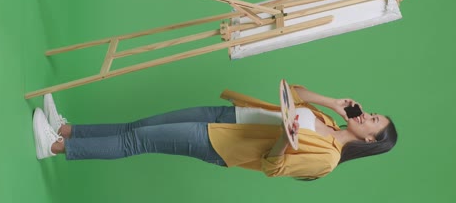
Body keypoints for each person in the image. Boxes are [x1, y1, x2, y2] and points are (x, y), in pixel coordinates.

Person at [32, 84, 397, 179]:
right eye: (373, 114)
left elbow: (274, 167)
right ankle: (68, 128)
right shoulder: (331, 121)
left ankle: (55, 147)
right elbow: (293, 92)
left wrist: (286, 139)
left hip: (221, 144)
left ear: (369, 142)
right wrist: (332, 101)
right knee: (139, 126)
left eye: (373, 122)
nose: (368, 116)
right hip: (228, 115)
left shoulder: (328, 160)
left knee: (136, 141)